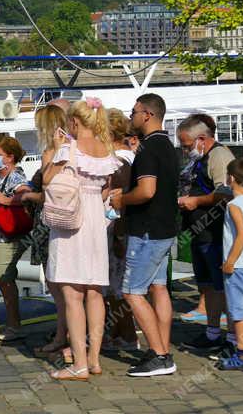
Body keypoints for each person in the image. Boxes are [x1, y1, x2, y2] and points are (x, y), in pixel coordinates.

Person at [43, 98, 119, 381]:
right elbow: (106, 190)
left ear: (74, 121)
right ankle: (95, 359)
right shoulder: (105, 150)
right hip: (96, 220)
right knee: (95, 292)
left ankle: (79, 364)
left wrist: (54, 148)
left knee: (73, 294)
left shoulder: (67, 148)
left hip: (71, 222)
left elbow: (47, 180)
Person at [110, 93, 179, 377]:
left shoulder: (148, 150)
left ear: (147, 114)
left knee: (132, 291)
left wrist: (121, 200)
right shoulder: (168, 146)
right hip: (164, 228)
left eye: (134, 111)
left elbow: (147, 191)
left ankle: (160, 355)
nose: (131, 117)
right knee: (158, 288)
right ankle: (161, 347)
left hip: (148, 230)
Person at [176, 113, 235, 352]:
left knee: (222, 286)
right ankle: (212, 333)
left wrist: (196, 201)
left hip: (216, 232)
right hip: (201, 233)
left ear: (201, 139)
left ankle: (233, 337)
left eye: (187, 145)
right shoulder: (199, 158)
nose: (184, 149)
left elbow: (225, 193)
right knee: (208, 284)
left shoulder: (219, 156)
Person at [19, 104, 71, 357]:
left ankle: (63, 335)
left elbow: (51, 193)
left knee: (57, 286)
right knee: (66, 287)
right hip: (61, 223)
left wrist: (30, 194)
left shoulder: (53, 153)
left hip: (49, 222)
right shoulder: (74, 149)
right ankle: (67, 333)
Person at [0, 136, 29, 342]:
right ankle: (13, 324)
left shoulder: (15, 177)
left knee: (4, 279)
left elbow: (26, 193)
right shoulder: (0, 177)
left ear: (9, 157)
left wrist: (8, 201)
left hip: (6, 238)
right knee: (4, 278)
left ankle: (14, 325)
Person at [102, 108, 139, 352]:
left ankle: (126, 334)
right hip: (119, 229)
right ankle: (117, 332)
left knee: (116, 288)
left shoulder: (119, 162)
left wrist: (118, 234)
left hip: (117, 228)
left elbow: (120, 202)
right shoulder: (129, 159)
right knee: (116, 287)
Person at [217, 158, 243, 370]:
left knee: (238, 312)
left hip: (238, 266)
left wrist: (230, 261)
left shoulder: (234, 205)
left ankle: (242, 354)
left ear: (231, 178)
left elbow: (242, 235)